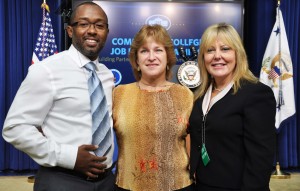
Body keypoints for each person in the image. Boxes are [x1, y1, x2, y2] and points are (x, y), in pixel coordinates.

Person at [2, 2, 115, 191]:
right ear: (70, 31)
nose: (92, 31)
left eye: (99, 25)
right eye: (84, 24)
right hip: (62, 180)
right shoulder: (46, 70)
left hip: (106, 181)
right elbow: (14, 128)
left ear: (106, 32)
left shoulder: (106, 75)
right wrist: (70, 157)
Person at [189, 23, 276, 191]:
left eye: (225, 49)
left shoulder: (256, 93)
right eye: (210, 50)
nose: (217, 56)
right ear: (203, 57)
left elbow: (260, 159)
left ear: (238, 54)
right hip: (201, 186)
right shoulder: (199, 95)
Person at [112, 24, 195, 191]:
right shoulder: (118, 94)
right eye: (144, 51)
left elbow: (192, 143)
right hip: (128, 186)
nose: (151, 57)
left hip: (178, 186)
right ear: (136, 60)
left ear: (168, 58)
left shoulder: (185, 95)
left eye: (158, 50)